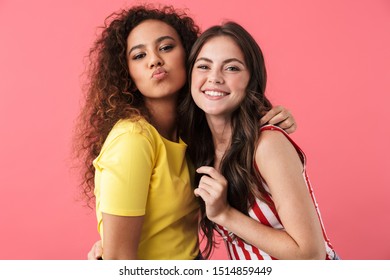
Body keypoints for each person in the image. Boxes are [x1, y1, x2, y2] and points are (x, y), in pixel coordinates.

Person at [75, 5, 296, 260]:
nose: (154, 60)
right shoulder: (133, 139)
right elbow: (120, 261)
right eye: (138, 55)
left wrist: (273, 115)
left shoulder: (193, 133)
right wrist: (111, 247)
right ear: (127, 74)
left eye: (166, 47)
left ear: (189, 57)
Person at [180, 21, 337, 260]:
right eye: (203, 66)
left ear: (252, 79)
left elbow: (310, 254)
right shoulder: (200, 148)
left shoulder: (266, 145)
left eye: (231, 68)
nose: (214, 78)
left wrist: (224, 214)